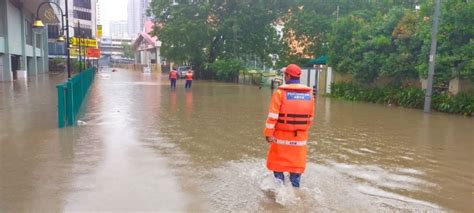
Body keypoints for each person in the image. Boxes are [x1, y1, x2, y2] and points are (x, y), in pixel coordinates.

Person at [263, 64, 315, 188]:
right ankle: (295, 191)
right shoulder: (309, 95)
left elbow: (272, 117)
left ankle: (279, 193)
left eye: (284, 74)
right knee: (295, 171)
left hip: (280, 139)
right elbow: (310, 119)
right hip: (299, 140)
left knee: (278, 168)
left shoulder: (280, 93)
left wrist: (268, 134)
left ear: (288, 75)